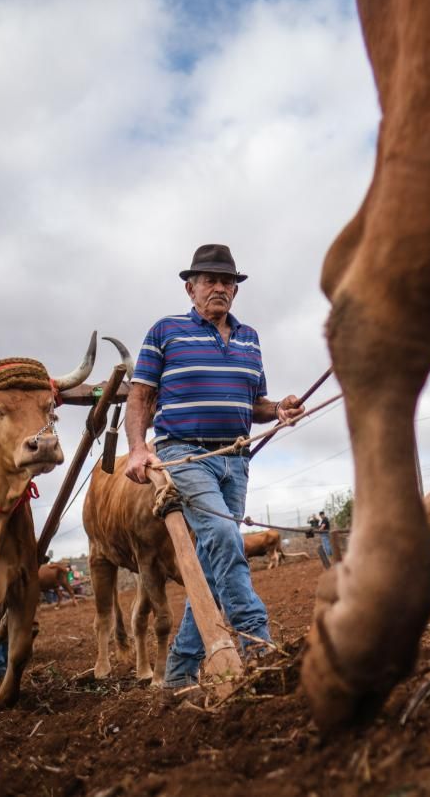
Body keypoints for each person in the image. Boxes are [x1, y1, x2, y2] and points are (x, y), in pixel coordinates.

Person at [125, 244, 303, 689]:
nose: (220, 287)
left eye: (228, 281)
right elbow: (142, 396)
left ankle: (179, 673)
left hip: (236, 461)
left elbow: (254, 403)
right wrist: (135, 449)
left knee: (209, 562)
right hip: (184, 455)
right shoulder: (165, 331)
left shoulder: (250, 339)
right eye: (210, 280)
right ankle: (260, 646)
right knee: (225, 537)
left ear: (235, 290)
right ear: (191, 288)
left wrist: (278, 408)